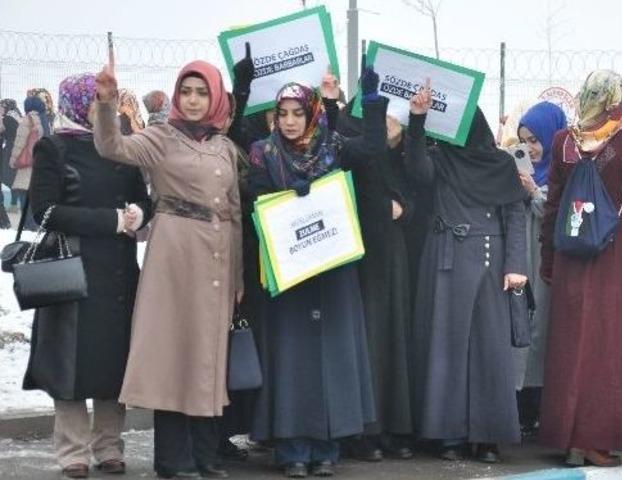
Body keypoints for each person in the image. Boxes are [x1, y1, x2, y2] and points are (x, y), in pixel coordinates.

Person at [93, 60, 243, 479]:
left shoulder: (224, 146)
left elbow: (233, 214)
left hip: (216, 257)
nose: (193, 100)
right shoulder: (161, 137)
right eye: (186, 92)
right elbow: (113, 148)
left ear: (215, 97)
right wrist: (106, 105)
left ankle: (204, 455)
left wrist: (237, 276)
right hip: (175, 253)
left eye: (202, 92)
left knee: (207, 358)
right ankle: (173, 460)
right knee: (174, 355)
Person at [247, 69, 387, 478]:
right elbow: (252, 197)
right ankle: (291, 449)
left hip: (331, 269)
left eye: (296, 113)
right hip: (288, 273)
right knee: (291, 359)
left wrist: (372, 99)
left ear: (310, 114)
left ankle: (326, 447)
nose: (289, 121)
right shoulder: (264, 152)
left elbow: (374, 148)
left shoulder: (334, 145)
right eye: (282, 113)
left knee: (332, 356)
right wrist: (286, 200)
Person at [25, 73, 152, 479]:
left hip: (117, 272)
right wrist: (111, 220)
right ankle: (73, 452)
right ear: (80, 104)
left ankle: (110, 447)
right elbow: (43, 211)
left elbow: (143, 197)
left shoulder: (119, 144)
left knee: (113, 363)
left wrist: (139, 214)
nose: (103, 110)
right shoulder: (54, 147)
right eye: (96, 103)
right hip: (71, 269)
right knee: (71, 363)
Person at [538, 70, 622, 467]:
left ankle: (570, 438)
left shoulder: (562, 141)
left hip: (572, 250)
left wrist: (548, 259)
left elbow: (553, 206)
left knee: (572, 344)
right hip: (615, 251)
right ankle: (596, 441)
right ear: (616, 100)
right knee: (610, 347)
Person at [407, 85, 528, 462]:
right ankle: (448, 435)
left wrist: (516, 266)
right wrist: (417, 121)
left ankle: (488, 435)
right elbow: (415, 169)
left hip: (490, 264)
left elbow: (515, 215)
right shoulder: (440, 158)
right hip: (445, 259)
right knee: (445, 348)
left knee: (489, 350)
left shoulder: (502, 164)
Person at [336, 99, 419, 461]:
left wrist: (404, 208)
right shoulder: (351, 144)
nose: (387, 125)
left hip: (393, 254)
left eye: (392, 119)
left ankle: (390, 426)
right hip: (359, 253)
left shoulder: (400, 154)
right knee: (367, 340)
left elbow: (420, 190)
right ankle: (361, 430)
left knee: (392, 341)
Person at [513, 101, 567, 436]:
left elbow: (561, 211)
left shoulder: (566, 170)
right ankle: (521, 407)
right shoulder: (521, 173)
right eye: (524, 141)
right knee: (521, 333)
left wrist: (534, 191)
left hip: (549, 265)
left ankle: (542, 406)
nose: (530, 148)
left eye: (535, 139)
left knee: (545, 332)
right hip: (522, 263)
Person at [11, 95, 51, 231]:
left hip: (27, 166)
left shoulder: (28, 119)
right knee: (35, 200)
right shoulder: (45, 120)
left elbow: (20, 142)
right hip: (41, 165)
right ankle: (38, 227)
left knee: (24, 197)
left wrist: (13, 161)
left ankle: (29, 228)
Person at [0, 99, 17, 226]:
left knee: (8, 178)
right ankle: (13, 204)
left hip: (9, 151)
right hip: (13, 151)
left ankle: (4, 220)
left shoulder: (7, 118)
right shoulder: (17, 115)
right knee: (13, 179)